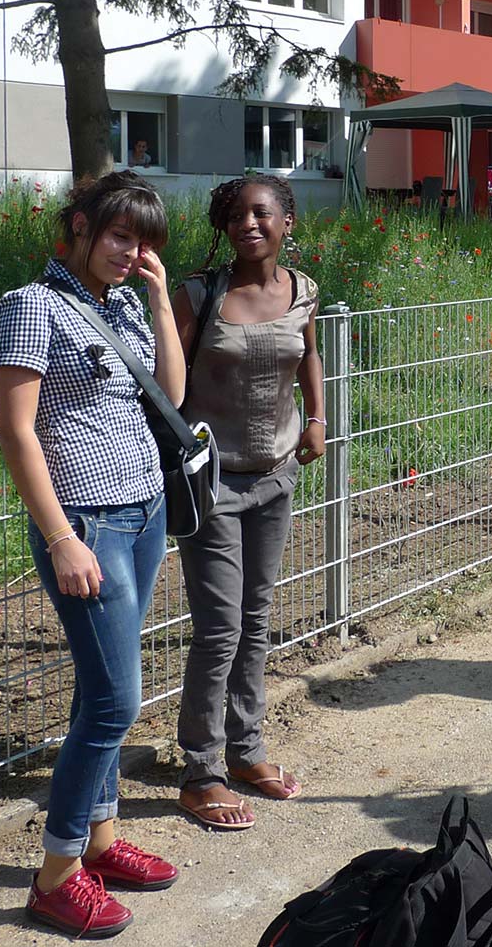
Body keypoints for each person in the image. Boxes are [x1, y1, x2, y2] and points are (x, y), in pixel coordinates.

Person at [0, 172, 183, 938]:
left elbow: (169, 393)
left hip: (143, 513)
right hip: (87, 525)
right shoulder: (29, 305)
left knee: (100, 687)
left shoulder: (129, 303)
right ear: (77, 226)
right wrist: (61, 536)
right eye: (117, 235)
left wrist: (164, 299)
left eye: (140, 242)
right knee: (114, 702)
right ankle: (56, 873)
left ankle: (100, 839)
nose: (129, 251)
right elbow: (17, 431)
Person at [172, 175, 325, 831]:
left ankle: (246, 750)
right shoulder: (199, 295)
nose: (249, 223)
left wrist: (317, 417)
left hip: (276, 475)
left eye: (262, 212)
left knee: (256, 616)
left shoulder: (304, 290)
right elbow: (167, 382)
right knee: (220, 627)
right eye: (235, 215)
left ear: (287, 219)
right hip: (214, 484)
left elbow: (308, 352)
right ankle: (200, 771)